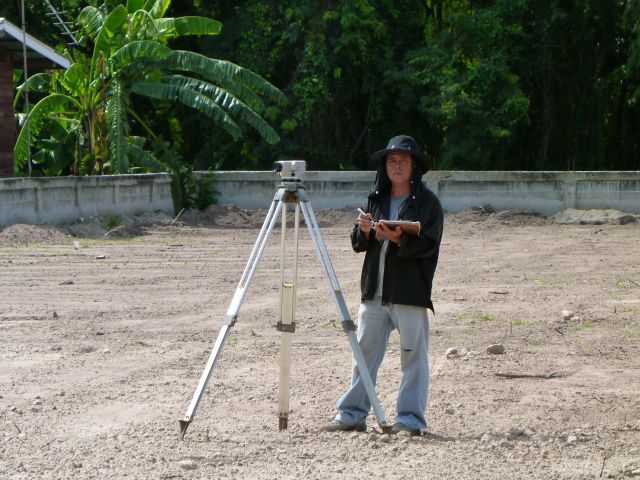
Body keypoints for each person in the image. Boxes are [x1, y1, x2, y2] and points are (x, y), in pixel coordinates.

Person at [320, 135, 444, 436]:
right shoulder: (376, 199)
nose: (397, 165)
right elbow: (358, 244)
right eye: (392, 160)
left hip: (408, 294)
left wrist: (398, 238)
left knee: (413, 356)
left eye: (403, 160)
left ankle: (410, 420)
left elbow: (429, 244)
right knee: (363, 354)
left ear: (414, 166)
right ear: (385, 166)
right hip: (373, 293)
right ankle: (352, 415)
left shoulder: (428, 204)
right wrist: (364, 231)